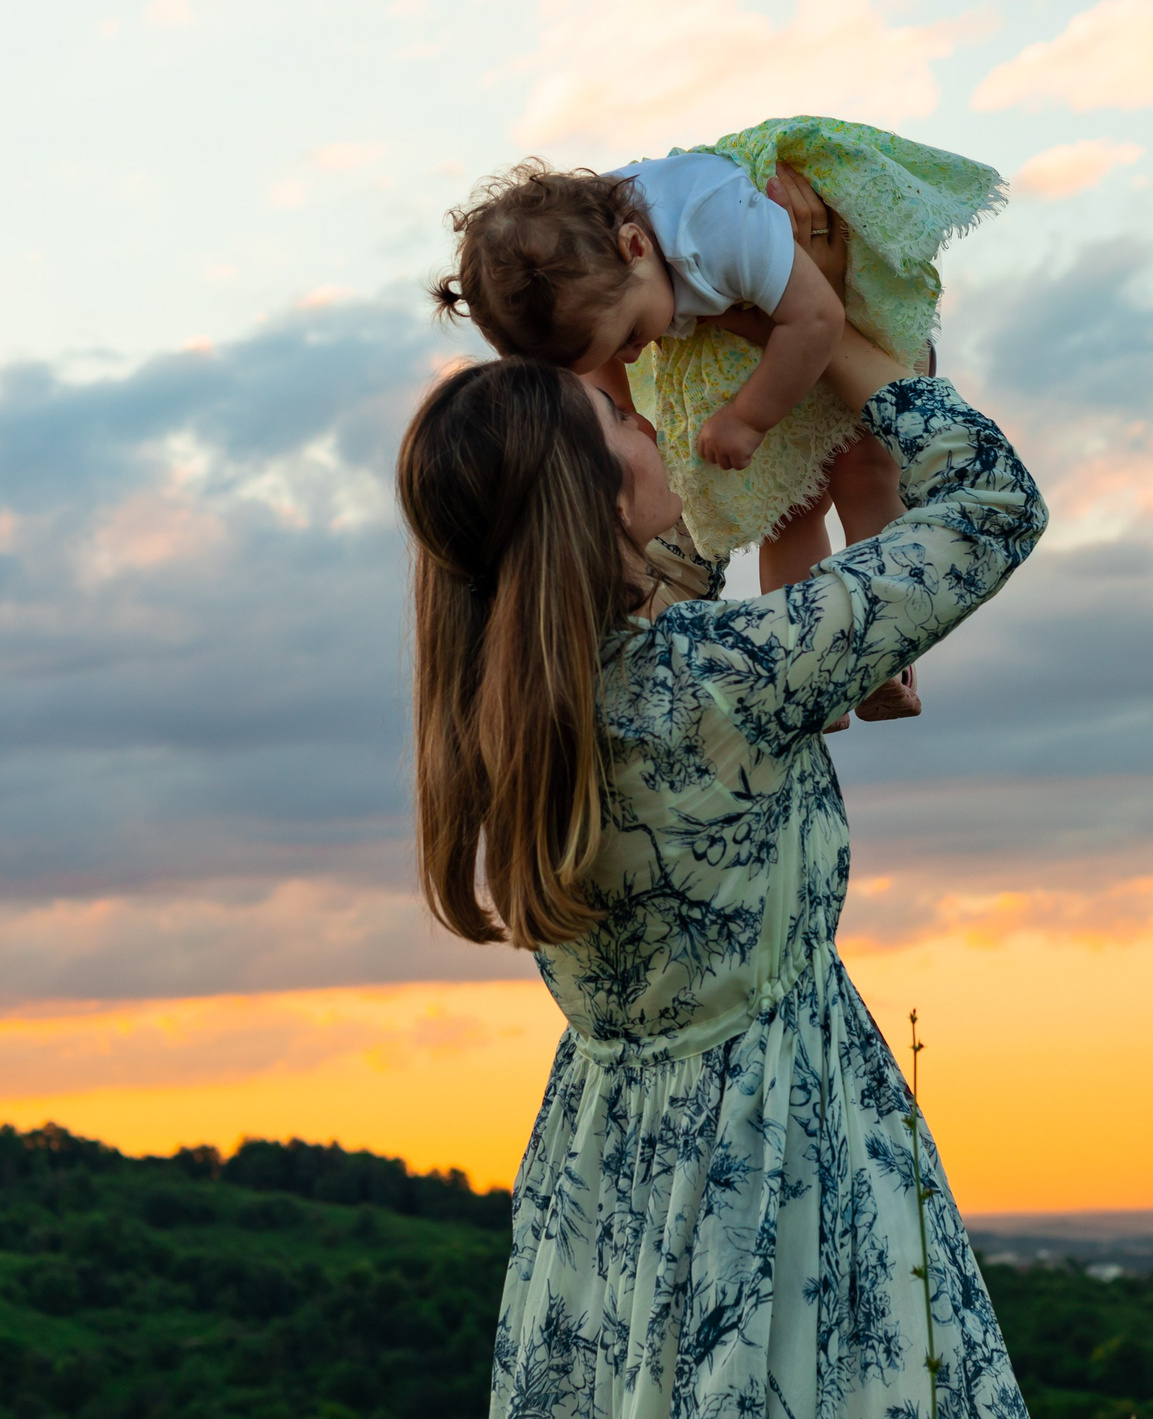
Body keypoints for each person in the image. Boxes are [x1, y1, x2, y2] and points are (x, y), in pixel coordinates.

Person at [396, 313, 1045, 1417]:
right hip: (774, 1138)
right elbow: (992, 509)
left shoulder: (498, 712)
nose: (646, 421)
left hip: (606, 1168)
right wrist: (846, 348)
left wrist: (751, 387)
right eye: (617, 418)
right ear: (595, 501)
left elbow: (686, 551)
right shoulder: (714, 682)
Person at [434, 117, 1007, 720]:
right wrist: (625, 412)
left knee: (866, 469)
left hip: (819, 314)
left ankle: (880, 655)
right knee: (788, 507)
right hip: (755, 340)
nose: (631, 355)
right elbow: (598, 352)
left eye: (630, 336)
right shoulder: (586, 259)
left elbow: (818, 320)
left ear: (635, 247)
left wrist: (748, 418)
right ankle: (812, 676)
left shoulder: (711, 222)